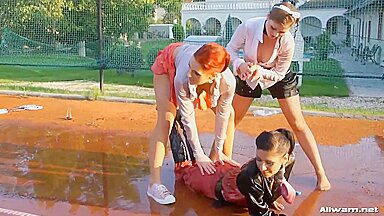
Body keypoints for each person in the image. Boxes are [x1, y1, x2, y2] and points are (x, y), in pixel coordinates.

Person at [226, 2, 331, 191]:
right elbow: (230, 50)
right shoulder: (249, 26)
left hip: (276, 76)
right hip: (248, 73)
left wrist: (262, 71)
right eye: (273, 28)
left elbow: (279, 75)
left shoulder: (288, 42)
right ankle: (221, 163)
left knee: (298, 124)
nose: (275, 34)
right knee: (230, 119)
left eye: (281, 32)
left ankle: (320, 173)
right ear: (268, 17)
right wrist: (240, 63)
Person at [148, 42, 239, 205]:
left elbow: (223, 115)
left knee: (230, 113)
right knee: (167, 118)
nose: (190, 74)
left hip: (202, 74)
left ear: (213, 76)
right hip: (170, 61)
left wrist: (217, 149)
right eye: (191, 67)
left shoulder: (229, 83)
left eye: (195, 73)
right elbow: (187, 118)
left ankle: (219, 162)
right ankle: (154, 184)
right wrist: (198, 155)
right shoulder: (184, 75)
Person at [172, 124, 297, 216]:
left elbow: (276, 182)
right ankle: (175, 124)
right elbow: (261, 214)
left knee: (198, 162)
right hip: (214, 184)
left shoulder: (289, 161)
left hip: (232, 175)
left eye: (269, 162)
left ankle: (182, 125)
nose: (262, 167)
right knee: (185, 169)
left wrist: (269, 199)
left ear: (285, 158)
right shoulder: (251, 178)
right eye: (258, 159)